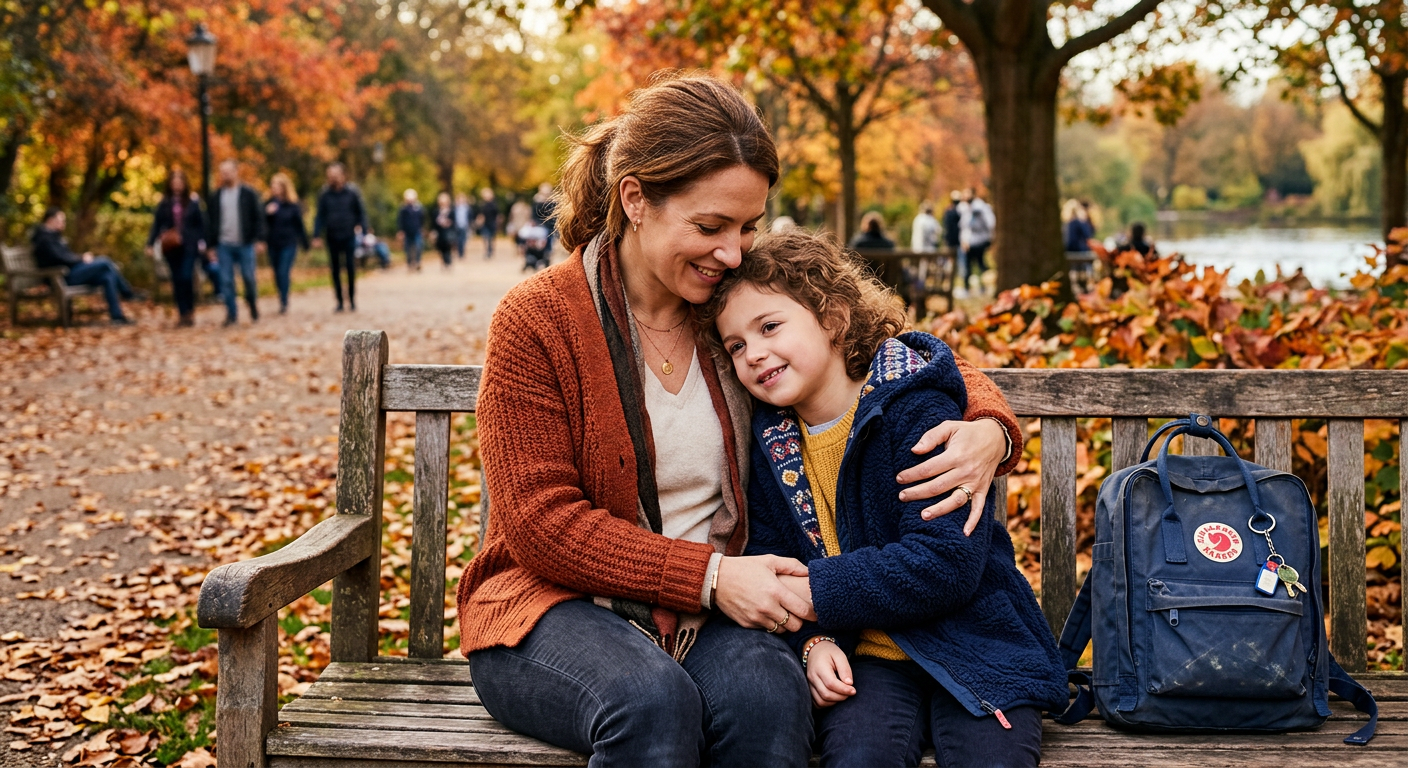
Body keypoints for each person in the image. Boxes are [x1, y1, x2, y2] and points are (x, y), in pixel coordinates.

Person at [458, 73, 1022, 767]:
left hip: (717, 612)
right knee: (651, 705)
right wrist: (715, 578)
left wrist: (992, 426)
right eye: (710, 226)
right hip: (556, 608)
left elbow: (883, 357)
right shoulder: (538, 320)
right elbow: (541, 525)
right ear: (634, 199)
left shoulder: (728, 306)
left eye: (749, 225)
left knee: (768, 702)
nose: (732, 251)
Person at [702, 229, 1064, 768]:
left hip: (974, 644)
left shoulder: (912, 411)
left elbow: (945, 563)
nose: (754, 353)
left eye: (770, 326)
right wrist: (811, 643)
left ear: (833, 319)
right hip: (867, 658)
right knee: (858, 755)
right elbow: (777, 555)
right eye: (736, 345)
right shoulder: (771, 440)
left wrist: (818, 592)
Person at [33, 208, 140, 325]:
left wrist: (80, 258)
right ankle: (127, 294)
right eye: (61, 220)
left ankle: (117, 317)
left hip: (69, 273)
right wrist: (82, 258)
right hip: (60, 278)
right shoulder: (44, 238)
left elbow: (66, 256)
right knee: (105, 261)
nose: (63, 223)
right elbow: (60, 258)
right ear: (50, 220)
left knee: (108, 276)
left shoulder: (54, 236)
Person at [206, 160, 266, 326]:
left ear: (235, 172)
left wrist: (260, 239)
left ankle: (252, 302)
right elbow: (210, 223)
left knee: (248, 277)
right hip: (224, 244)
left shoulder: (248, 193)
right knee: (226, 280)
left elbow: (258, 218)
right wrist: (211, 246)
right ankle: (232, 314)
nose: (225, 175)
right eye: (222, 172)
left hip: (245, 243)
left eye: (228, 172)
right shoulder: (216, 196)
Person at [146, 168, 207, 326]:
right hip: (172, 248)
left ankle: (190, 310)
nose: (177, 185)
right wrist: (151, 244)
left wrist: (203, 242)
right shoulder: (165, 203)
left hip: (189, 246)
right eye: (174, 182)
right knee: (177, 280)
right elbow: (156, 224)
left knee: (187, 277)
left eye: (180, 181)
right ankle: (182, 313)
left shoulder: (193, 202)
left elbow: (201, 225)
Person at [312, 163, 370, 312]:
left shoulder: (352, 192)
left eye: (335, 175)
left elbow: (360, 212)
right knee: (335, 270)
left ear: (343, 175)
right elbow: (320, 216)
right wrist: (316, 235)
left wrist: (363, 231)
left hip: (348, 235)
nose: (332, 178)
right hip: (332, 236)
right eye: (330, 175)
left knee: (350, 268)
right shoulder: (324, 194)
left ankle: (351, 299)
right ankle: (339, 301)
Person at [263, 173, 309, 314]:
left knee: (283, 271)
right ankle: (281, 296)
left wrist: (305, 243)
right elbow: (261, 225)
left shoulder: (292, 205)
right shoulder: (267, 204)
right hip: (273, 243)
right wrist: (266, 214)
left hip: (289, 243)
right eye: (273, 186)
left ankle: (284, 301)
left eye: (277, 186)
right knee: (277, 273)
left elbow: (299, 225)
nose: (274, 189)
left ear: (284, 188)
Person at [961, 189, 995, 296]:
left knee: (981, 265)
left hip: (980, 241)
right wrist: (964, 240)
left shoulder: (981, 207)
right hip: (969, 243)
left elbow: (990, 223)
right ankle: (966, 289)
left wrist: (989, 237)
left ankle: (984, 287)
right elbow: (964, 227)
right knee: (967, 267)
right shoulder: (966, 208)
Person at [397, 189, 426, 272]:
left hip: (417, 230)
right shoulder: (403, 209)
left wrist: (422, 228)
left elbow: (422, 219)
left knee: (418, 247)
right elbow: (400, 220)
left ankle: (418, 262)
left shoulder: (419, 208)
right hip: (407, 231)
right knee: (407, 249)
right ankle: (409, 263)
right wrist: (401, 231)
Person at [432, 192, 456, 269]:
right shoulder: (436, 211)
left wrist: (449, 223)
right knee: (441, 247)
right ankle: (444, 261)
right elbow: (433, 222)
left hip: (448, 231)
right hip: (440, 232)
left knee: (448, 246)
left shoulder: (451, 211)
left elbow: (454, 221)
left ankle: (448, 261)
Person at [531, 181, 557, 253]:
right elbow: (534, 212)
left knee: (550, 240)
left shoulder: (553, 200)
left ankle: (547, 254)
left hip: (550, 224)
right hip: (540, 223)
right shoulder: (537, 200)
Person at [475, 187, 499, 259]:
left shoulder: (494, 204)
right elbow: (479, 214)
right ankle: (487, 251)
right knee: (485, 237)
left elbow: (497, 214)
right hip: (485, 224)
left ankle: (490, 250)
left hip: (492, 223)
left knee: (491, 238)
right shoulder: (482, 204)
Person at [453, 192, 473, 260]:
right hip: (457, 226)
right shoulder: (455, 208)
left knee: (463, 240)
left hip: (465, 226)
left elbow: (470, 217)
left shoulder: (467, 208)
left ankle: (462, 252)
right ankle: (460, 253)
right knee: (458, 240)